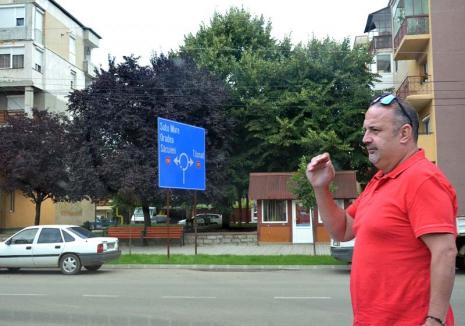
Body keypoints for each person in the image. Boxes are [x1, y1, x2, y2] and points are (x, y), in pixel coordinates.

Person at [306, 94, 458, 326]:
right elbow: (343, 229)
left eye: (375, 131)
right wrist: (321, 187)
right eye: (365, 131)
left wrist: (435, 320)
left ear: (404, 134)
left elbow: (445, 252)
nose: (365, 139)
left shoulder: (422, 179)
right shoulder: (381, 179)